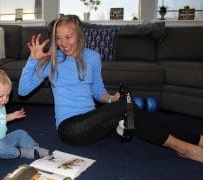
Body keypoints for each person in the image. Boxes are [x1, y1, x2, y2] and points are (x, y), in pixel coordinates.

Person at [18, 15, 203, 163]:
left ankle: (198, 139)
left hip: (94, 124)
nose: (63, 43)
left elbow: (98, 91)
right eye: (58, 38)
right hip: (71, 129)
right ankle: (185, 148)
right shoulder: (52, 60)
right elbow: (23, 91)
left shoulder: (93, 57)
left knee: (132, 112)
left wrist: (111, 99)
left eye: (68, 37)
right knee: (128, 108)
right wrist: (32, 60)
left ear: (80, 35)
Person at [0, 65, 49, 160]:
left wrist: (13, 115)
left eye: (7, 95)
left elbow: (2, 119)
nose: (5, 99)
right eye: (1, 96)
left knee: (20, 133)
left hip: (2, 139)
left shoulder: (0, 105)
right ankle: (20, 152)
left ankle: (35, 148)